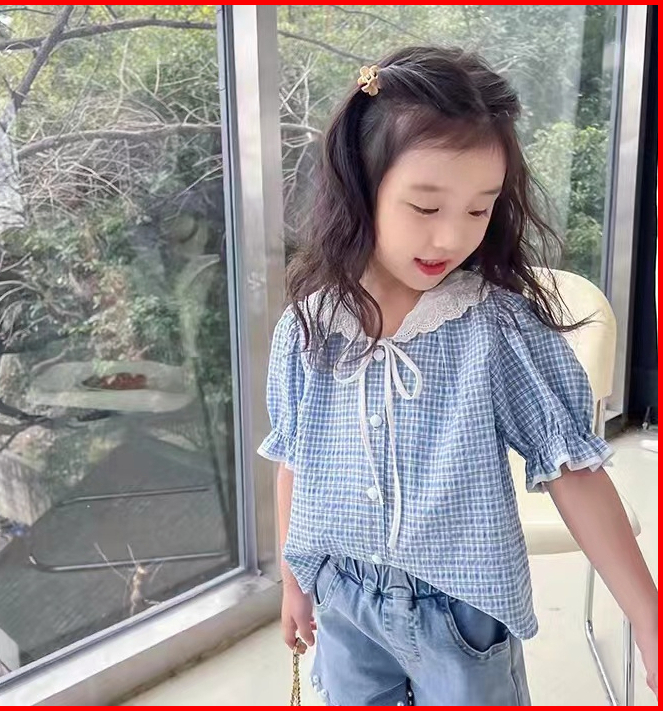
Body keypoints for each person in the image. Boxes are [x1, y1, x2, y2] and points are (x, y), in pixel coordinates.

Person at [258, 46, 658, 706]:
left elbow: (573, 471)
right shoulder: (308, 328)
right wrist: (294, 581)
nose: (451, 238)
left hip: (462, 614)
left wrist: (647, 614)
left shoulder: (493, 329)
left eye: (478, 210)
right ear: (361, 185)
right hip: (342, 600)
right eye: (425, 207)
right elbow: (294, 463)